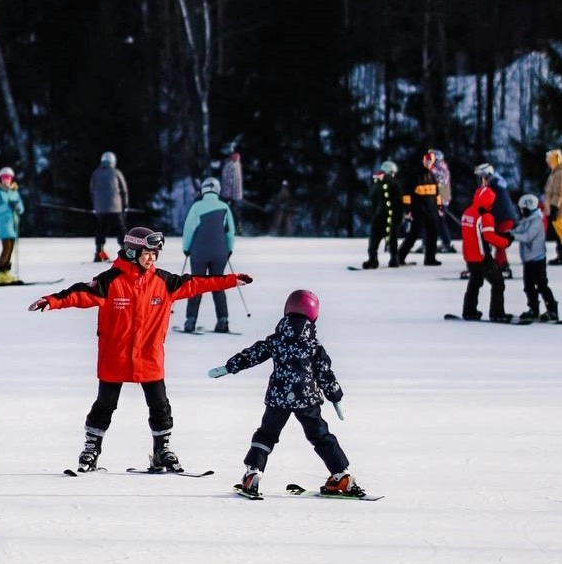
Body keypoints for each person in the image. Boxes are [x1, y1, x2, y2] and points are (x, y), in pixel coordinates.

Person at [27, 226, 254, 474]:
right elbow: (79, 293)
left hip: (149, 357)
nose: (152, 258)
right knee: (105, 405)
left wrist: (232, 280)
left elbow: (198, 283)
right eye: (147, 253)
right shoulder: (110, 281)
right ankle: (92, 448)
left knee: (160, 405)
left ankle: (162, 450)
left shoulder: (164, 282)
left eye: (155, 254)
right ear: (133, 251)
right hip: (116, 357)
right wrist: (51, 300)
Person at [207, 289, 366, 498]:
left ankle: (253, 473)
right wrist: (337, 398)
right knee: (321, 436)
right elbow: (325, 374)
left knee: (266, 435)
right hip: (307, 400)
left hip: (278, 398)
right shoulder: (314, 345)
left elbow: (253, 354)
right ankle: (341, 477)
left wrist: (230, 367)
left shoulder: (276, 340)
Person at [182, 177, 236, 333]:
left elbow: (188, 230)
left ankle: (190, 321)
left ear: (203, 190)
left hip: (199, 252)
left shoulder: (197, 207)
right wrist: (229, 249)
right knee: (218, 285)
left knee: (196, 285)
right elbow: (230, 232)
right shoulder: (225, 207)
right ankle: (223, 321)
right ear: (218, 190)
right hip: (220, 252)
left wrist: (186, 248)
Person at [459, 185, 514, 322]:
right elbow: (489, 236)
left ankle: (469, 310)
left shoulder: (468, 212)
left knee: (475, 282)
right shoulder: (485, 216)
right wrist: (505, 242)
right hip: (482, 257)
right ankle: (497, 313)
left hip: (469, 257)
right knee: (498, 283)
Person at [510, 194, 559, 321]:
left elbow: (527, 237)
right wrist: (507, 234)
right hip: (528, 260)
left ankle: (552, 309)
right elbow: (518, 230)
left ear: (528, 208)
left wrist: (512, 237)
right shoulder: (527, 220)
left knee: (542, 285)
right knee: (528, 286)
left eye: (523, 209)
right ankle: (533, 308)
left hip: (537, 259)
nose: (521, 212)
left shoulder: (537, 221)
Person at [362, 160, 409, 269]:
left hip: (378, 216)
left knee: (374, 239)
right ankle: (394, 259)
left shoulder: (376, 183)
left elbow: (372, 201)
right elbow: (400, 200)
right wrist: (404, 213)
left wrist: (373, 213)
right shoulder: (395, 183)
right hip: (391, 215)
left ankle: (372, 260)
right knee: (392, 238)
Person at [473, 163, 517, 278]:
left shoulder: (494, 184)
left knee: (499, 242)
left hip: (503, 218)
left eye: (482, 176)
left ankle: (501, 264)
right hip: (502, 217)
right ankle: (499, 263)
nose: (481, 180)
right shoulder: (497, 182)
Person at [397, 151, 442, 266]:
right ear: (423, 161)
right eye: (426, 161)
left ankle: (430, 258)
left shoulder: (433, 176)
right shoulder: (415, 175)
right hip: (419, 211)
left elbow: (438, 193)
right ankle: (400, 256)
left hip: (431, 211)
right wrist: (407, 210)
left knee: (433, 234)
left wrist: (440, 206)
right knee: (414, 234)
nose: (428, 163)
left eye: (430, 161)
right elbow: (406, 193)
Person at [414, 148, 456, 254]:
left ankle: (445, 243)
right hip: (435, 199)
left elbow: (438, 182)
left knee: (439, 222)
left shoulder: (440, 168)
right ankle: (427, 243)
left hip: (440, 199)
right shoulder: (437, 168)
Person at [0, 166, 24, 285]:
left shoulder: (14, 192)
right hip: (3, 225)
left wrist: (17, 208)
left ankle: (6, 273)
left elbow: (21, 208)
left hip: (13, 225)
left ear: (11, 179)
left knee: (11, 248)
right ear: (0, 179)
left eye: (8, 177)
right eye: (3, 177)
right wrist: (7, 206)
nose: (6, 180)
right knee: (6, 247)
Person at [90, 151, 129, 262]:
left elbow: (92, 191)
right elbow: (124, 191)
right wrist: (125, 206)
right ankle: (125, 253)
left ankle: (99, 253)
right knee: (121, 230)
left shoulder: (95, 173)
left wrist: (95, 207)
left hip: (100, 209)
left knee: (100, 230)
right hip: (116, 208)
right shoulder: (116, 173)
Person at [220, 144, 244, 235]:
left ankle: (237, 229)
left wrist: (228, 195)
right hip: (230, 193)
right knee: (233, 212)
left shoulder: (232, 163)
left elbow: (231, 180)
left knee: (233, 212)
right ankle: (233, 228)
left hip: (231, 194)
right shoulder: (230, 162)